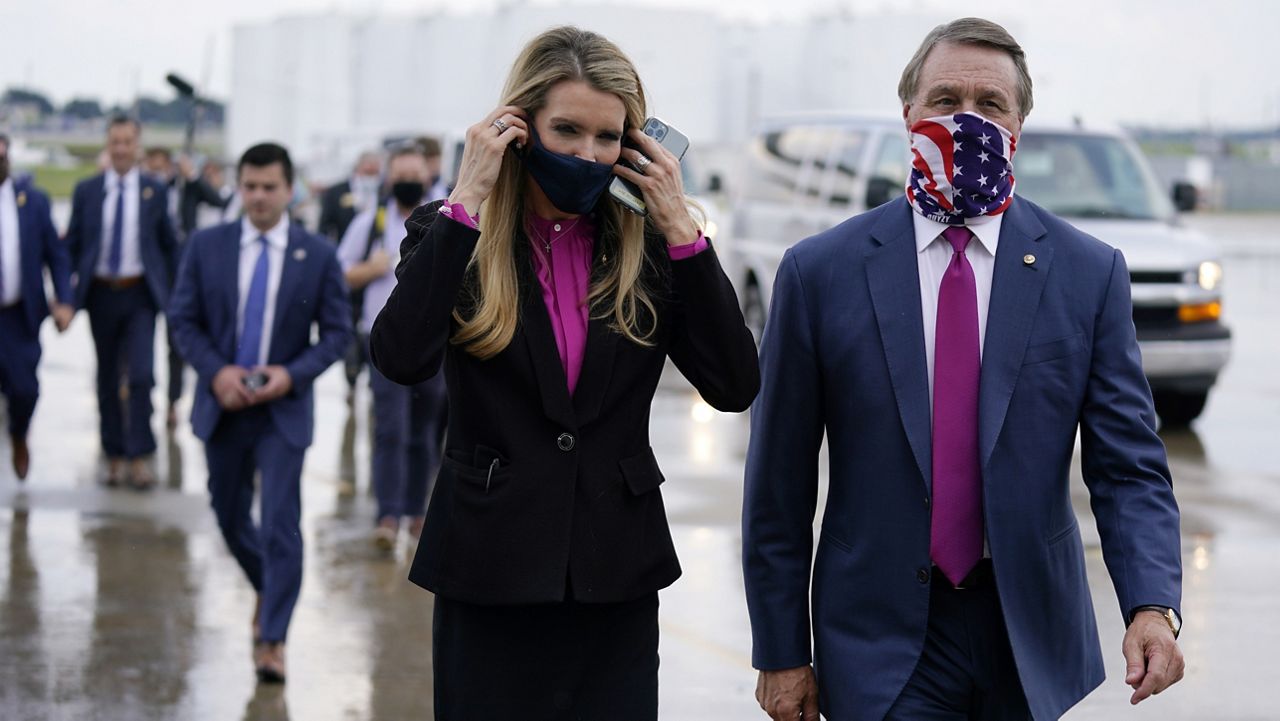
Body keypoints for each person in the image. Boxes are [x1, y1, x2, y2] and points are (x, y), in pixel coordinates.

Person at [742, 17, 1185, 721]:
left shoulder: (1087, 273)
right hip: (878, 635)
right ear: (909, 114)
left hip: (1027, 630)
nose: (967, 119)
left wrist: (1152, 602)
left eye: (991, 105)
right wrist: (780, 647)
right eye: (946, 100)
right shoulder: (818, 273)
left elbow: (1128, 464)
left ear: (1019, 127)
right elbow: (778, 484)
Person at [370, 26, 759, 719]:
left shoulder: (647, 247)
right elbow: (400, 358)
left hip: (616, 573)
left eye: (608, 138)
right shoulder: (454, 231)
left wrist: (682, 235)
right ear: (518, 128)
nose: (588, 154)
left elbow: (734, 383)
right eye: (568, 130)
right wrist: (469, 197)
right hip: (488, 567)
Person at [168, 142, 351, 683]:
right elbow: (182, 321)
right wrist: (216, 373)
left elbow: (338, 333)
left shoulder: (316, 255)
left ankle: (272, 639)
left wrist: (290, 375)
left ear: (289, 190)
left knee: (280, 524)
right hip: (223, 403)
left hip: (282, 411)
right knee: (228, 515)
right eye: (249, 186)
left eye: (270, 187)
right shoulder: (207, 246)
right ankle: (268, 588)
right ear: (238, 186)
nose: (259, 197)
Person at [338, 144, 448, 548]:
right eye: (400, 174)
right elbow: (340, 273)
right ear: (389, 179)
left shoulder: (445, 220)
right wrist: (372, 269)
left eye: (415, 175)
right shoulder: (369, 223)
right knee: (390, 430)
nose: (407, 182)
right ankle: (387, 515)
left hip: (434, 344)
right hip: (381, 342)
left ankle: (417, 512)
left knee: (424, 433)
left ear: (427, 178)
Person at [65, 115, 178, 488]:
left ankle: (139, 453)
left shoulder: (154, 191)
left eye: (128, 142)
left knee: (142, 375)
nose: (121, 149)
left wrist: (178, 297)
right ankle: (113, 453)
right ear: (107, 145)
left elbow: (168, 245)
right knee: (108, 376)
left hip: (140, 295)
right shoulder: (88, 190)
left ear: (138, 146)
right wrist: (66, 297)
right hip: (100, 294)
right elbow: (73, 244)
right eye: (115, 142)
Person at [0, 133, 74, 480]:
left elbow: (56, 255)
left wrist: (64, 299)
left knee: (24, 389)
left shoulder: (34, 202)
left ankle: (19, 433)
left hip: (19, 313)